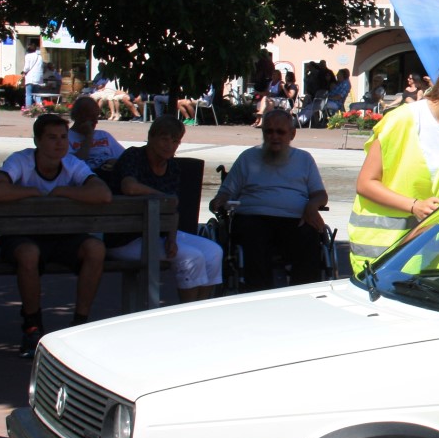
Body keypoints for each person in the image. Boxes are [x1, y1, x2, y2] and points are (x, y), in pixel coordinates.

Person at [349, 47, 439, 275]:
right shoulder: (400, 120)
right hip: (380, 255)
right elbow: (366, 183)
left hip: (436, 260)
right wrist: (414, 206)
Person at [0, 113, 113, 356]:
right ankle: (32, 326)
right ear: (37, 141)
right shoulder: (20, 161)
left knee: (96, 249)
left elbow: (103, 194)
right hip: (21, 234)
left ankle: (80, 322)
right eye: (52, 137)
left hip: (61, 234)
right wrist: (31, 192)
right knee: (29, 254)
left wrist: (64, 191)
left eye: (64, 137)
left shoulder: (73, 163)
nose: (59, 143)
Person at [210, 108, 329, 290]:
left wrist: (313, 205)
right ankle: (259, 295)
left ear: (292, 134)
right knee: (253, 238)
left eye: (280, 132)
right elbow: (227, 191)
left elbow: (320, 194)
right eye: (269, 131)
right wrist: (221, 199)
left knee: (310, 237)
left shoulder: (304, 159)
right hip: (254, 218)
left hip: (294, 220)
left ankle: (302, 295)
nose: (274, 136)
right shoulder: (248, 158)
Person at [107, 116, 222, 302]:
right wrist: (161, 195)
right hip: (125, 238)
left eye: (175, 141)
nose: (169, 145)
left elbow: (172, 208)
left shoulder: (173, 167)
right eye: (164, 139)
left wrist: (171, 237)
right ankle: (186, 314)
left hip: (159, 233)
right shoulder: (134, 156)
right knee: (192, 258)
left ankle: (198, 312)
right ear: (151, 137)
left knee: (213, 252)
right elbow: (130, 187)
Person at [66, 95, 125, 169]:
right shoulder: (66, 137)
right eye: (91, 117)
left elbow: (124, 157)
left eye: (96, 117)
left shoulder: (104, 135)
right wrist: (89, 137)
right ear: (78, 116)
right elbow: (75, 163)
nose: (96, 121)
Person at [21, 41, 47, 113]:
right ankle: (41, 108)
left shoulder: (28, 56)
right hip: (38, 78)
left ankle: (28, 109)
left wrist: (23, 72)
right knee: (37, 94)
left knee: (28, 94)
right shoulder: (40, 57)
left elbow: (27, 67)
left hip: (30, 77)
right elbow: (41, 67)